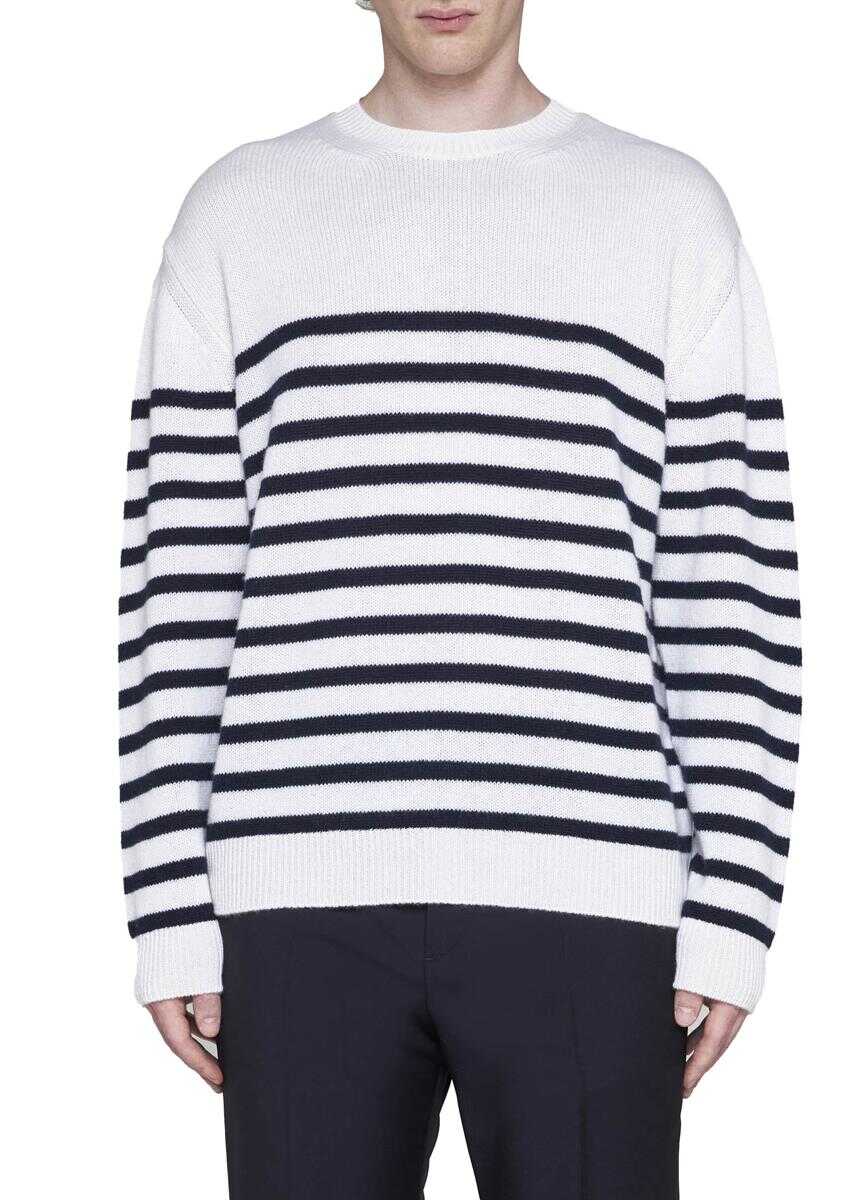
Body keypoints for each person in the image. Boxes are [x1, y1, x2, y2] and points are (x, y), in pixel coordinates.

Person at [118, 1, 801, 1195]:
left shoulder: (665, 211)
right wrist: (167, 905)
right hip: (296, 895)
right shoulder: (238, 212)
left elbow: (724, 576)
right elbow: (180, 579)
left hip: (592, 889)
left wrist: (733, 907)